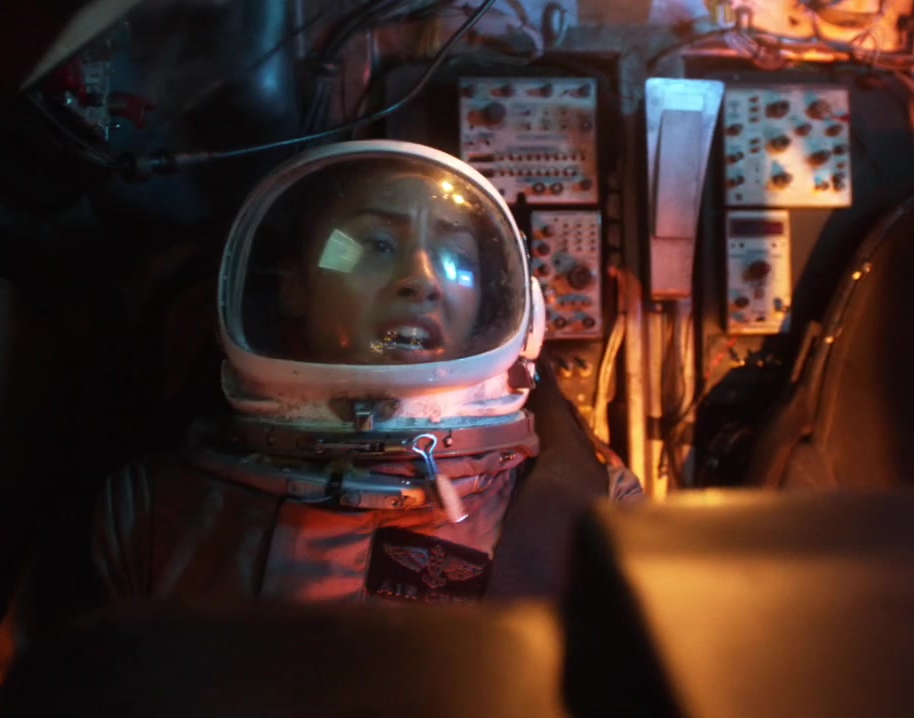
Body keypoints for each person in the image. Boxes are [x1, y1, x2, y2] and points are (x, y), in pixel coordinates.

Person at [92, 140, 641, 606]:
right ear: (294, 287)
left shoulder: (588, 514)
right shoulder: (150, 516)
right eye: (376, 245)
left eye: (457, 257)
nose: (423, 280)